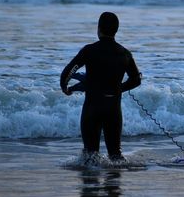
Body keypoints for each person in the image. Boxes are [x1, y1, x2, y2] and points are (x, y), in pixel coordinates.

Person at [60, 12, 141, 161]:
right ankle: (114, 182)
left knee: (90, 156)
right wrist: (118, 89)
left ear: (98, 29)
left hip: (93, 107)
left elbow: (69, 71)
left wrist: (65, 87)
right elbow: (136, 80)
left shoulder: (89, 51)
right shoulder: (125, 54)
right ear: (116, 30)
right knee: (115, 156)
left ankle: (91, 183)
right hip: (113, 109)